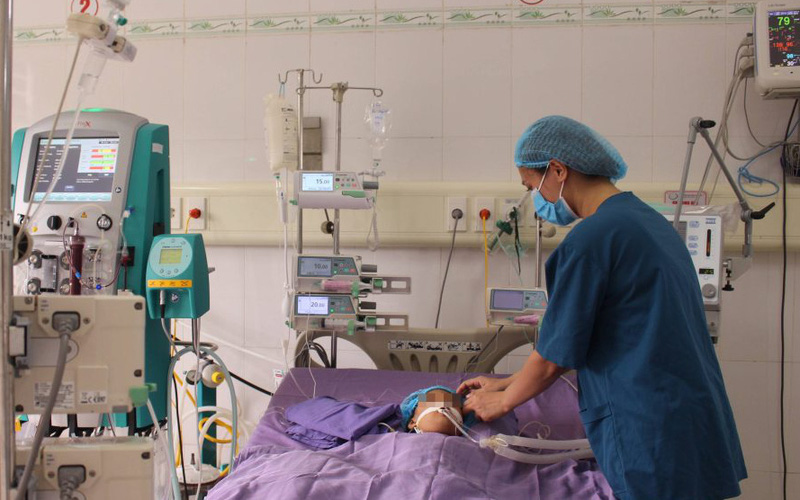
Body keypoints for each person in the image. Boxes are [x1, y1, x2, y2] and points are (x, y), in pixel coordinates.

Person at [458, 115, 746, 499]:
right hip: (692, 417)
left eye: (532, 187)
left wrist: (501, 401)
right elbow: (598, 333)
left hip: (650, 428)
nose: (538, 200)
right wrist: (506, 382)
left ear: (558, 170)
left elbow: (554, 357)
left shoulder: (591, 241)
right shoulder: (650, 223)